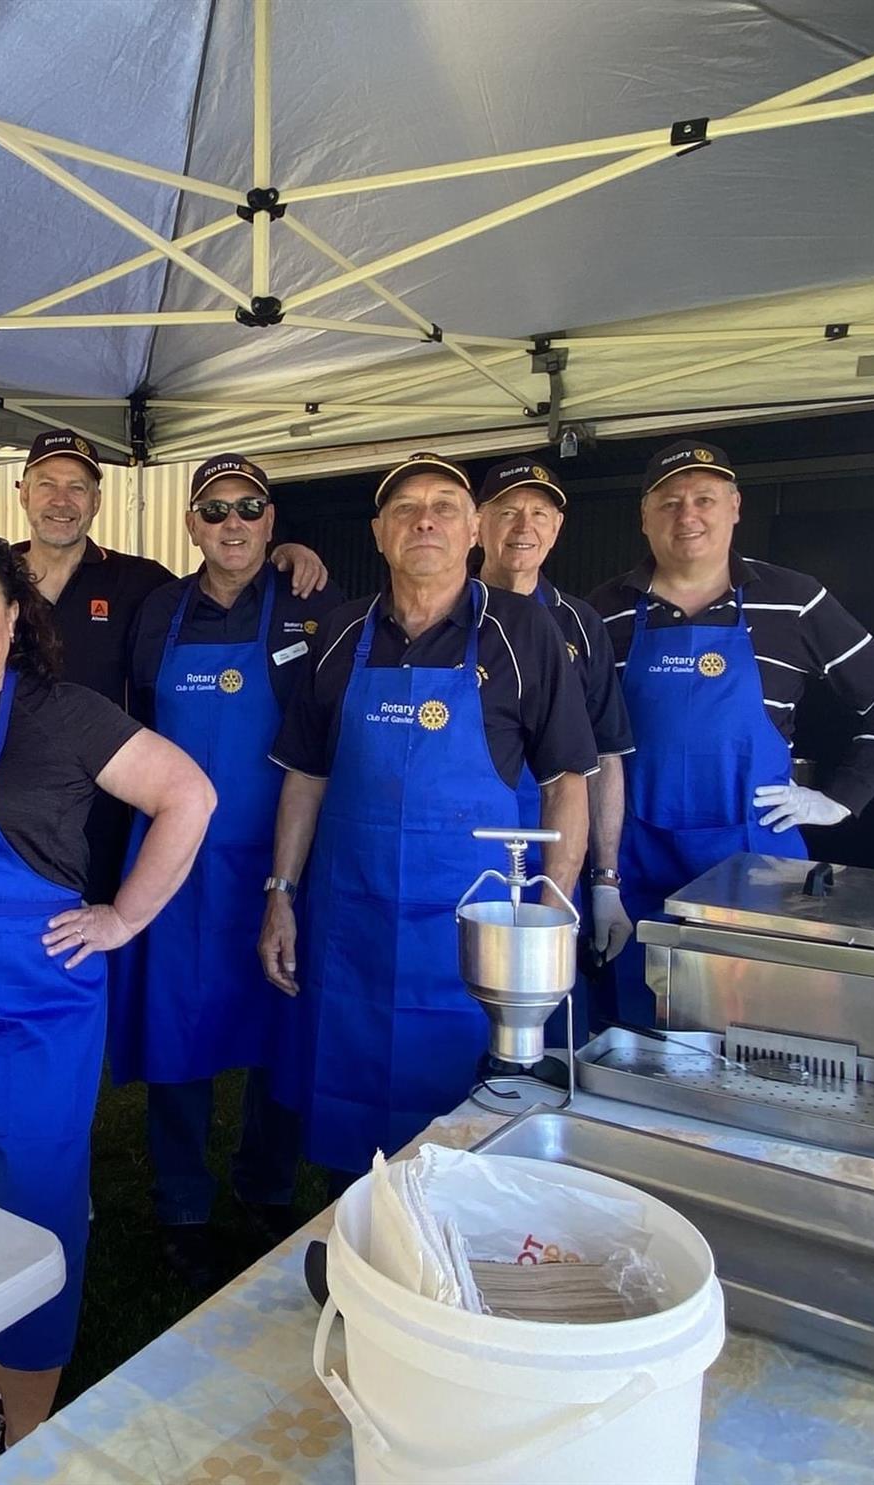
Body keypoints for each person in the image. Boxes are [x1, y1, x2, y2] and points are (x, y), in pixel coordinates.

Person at [0, 533, 214, 1462]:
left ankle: (27, 1434)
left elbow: (188, 793)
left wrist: (124, 916)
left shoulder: (63, 714)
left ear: (15, 618)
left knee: (30, 1200)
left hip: (23, 1008)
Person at [259, 453, 596, 1184]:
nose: (425, 520)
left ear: (474, 527)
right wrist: (281, 893)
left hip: (472, 933)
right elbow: (306, 776)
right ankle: (349, 1228)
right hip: (353, 927)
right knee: (348, 1124)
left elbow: (568, 780)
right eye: (404, 508)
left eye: (444, 504)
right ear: (379, 532)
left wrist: (554, 910)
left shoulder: (521, 632)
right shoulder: (342, 632)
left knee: (469, 1131)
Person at [588, 438, 874, 1023]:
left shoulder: (795, 601)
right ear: (644, 517)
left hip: (756, 866)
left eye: (704, 499)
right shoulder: (603, 613)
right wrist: (602, 879)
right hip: (637, 865)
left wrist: (841, 801)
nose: (686, 515)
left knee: (756, 1035)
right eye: (668, 503)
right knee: (638, 1041)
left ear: (735, 506)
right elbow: (584, 747)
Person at [112, 453, 342, 1285]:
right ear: (190, 524)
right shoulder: (157, 611)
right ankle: (182, 1203)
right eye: (214, 510)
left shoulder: (313, 604)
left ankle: (268, 1187)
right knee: (178, 1028)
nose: (232, 524)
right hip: (175, 859)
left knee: (277, 1024)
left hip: (276, 853)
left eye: (249, 508)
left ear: (272, 523)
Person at [12, 427, 325, 903]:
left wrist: (284, 555)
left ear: (96, 500)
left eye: (77, 486)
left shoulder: (142, 585)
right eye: (47, 484)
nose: (61, 499)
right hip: (7, 798)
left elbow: (226, 573)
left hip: (109, 811)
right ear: (22, 493)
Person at [472, 454, 636, 1037]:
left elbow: (607, 755)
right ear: (477, 523)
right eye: (508, 511)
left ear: (558, 529)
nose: (525, 526)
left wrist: (604, 881)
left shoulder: (581, 624)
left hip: (552, 856)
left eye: (540, 513)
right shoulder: (444, 613)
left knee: (543, 1023)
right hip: (463, 851)